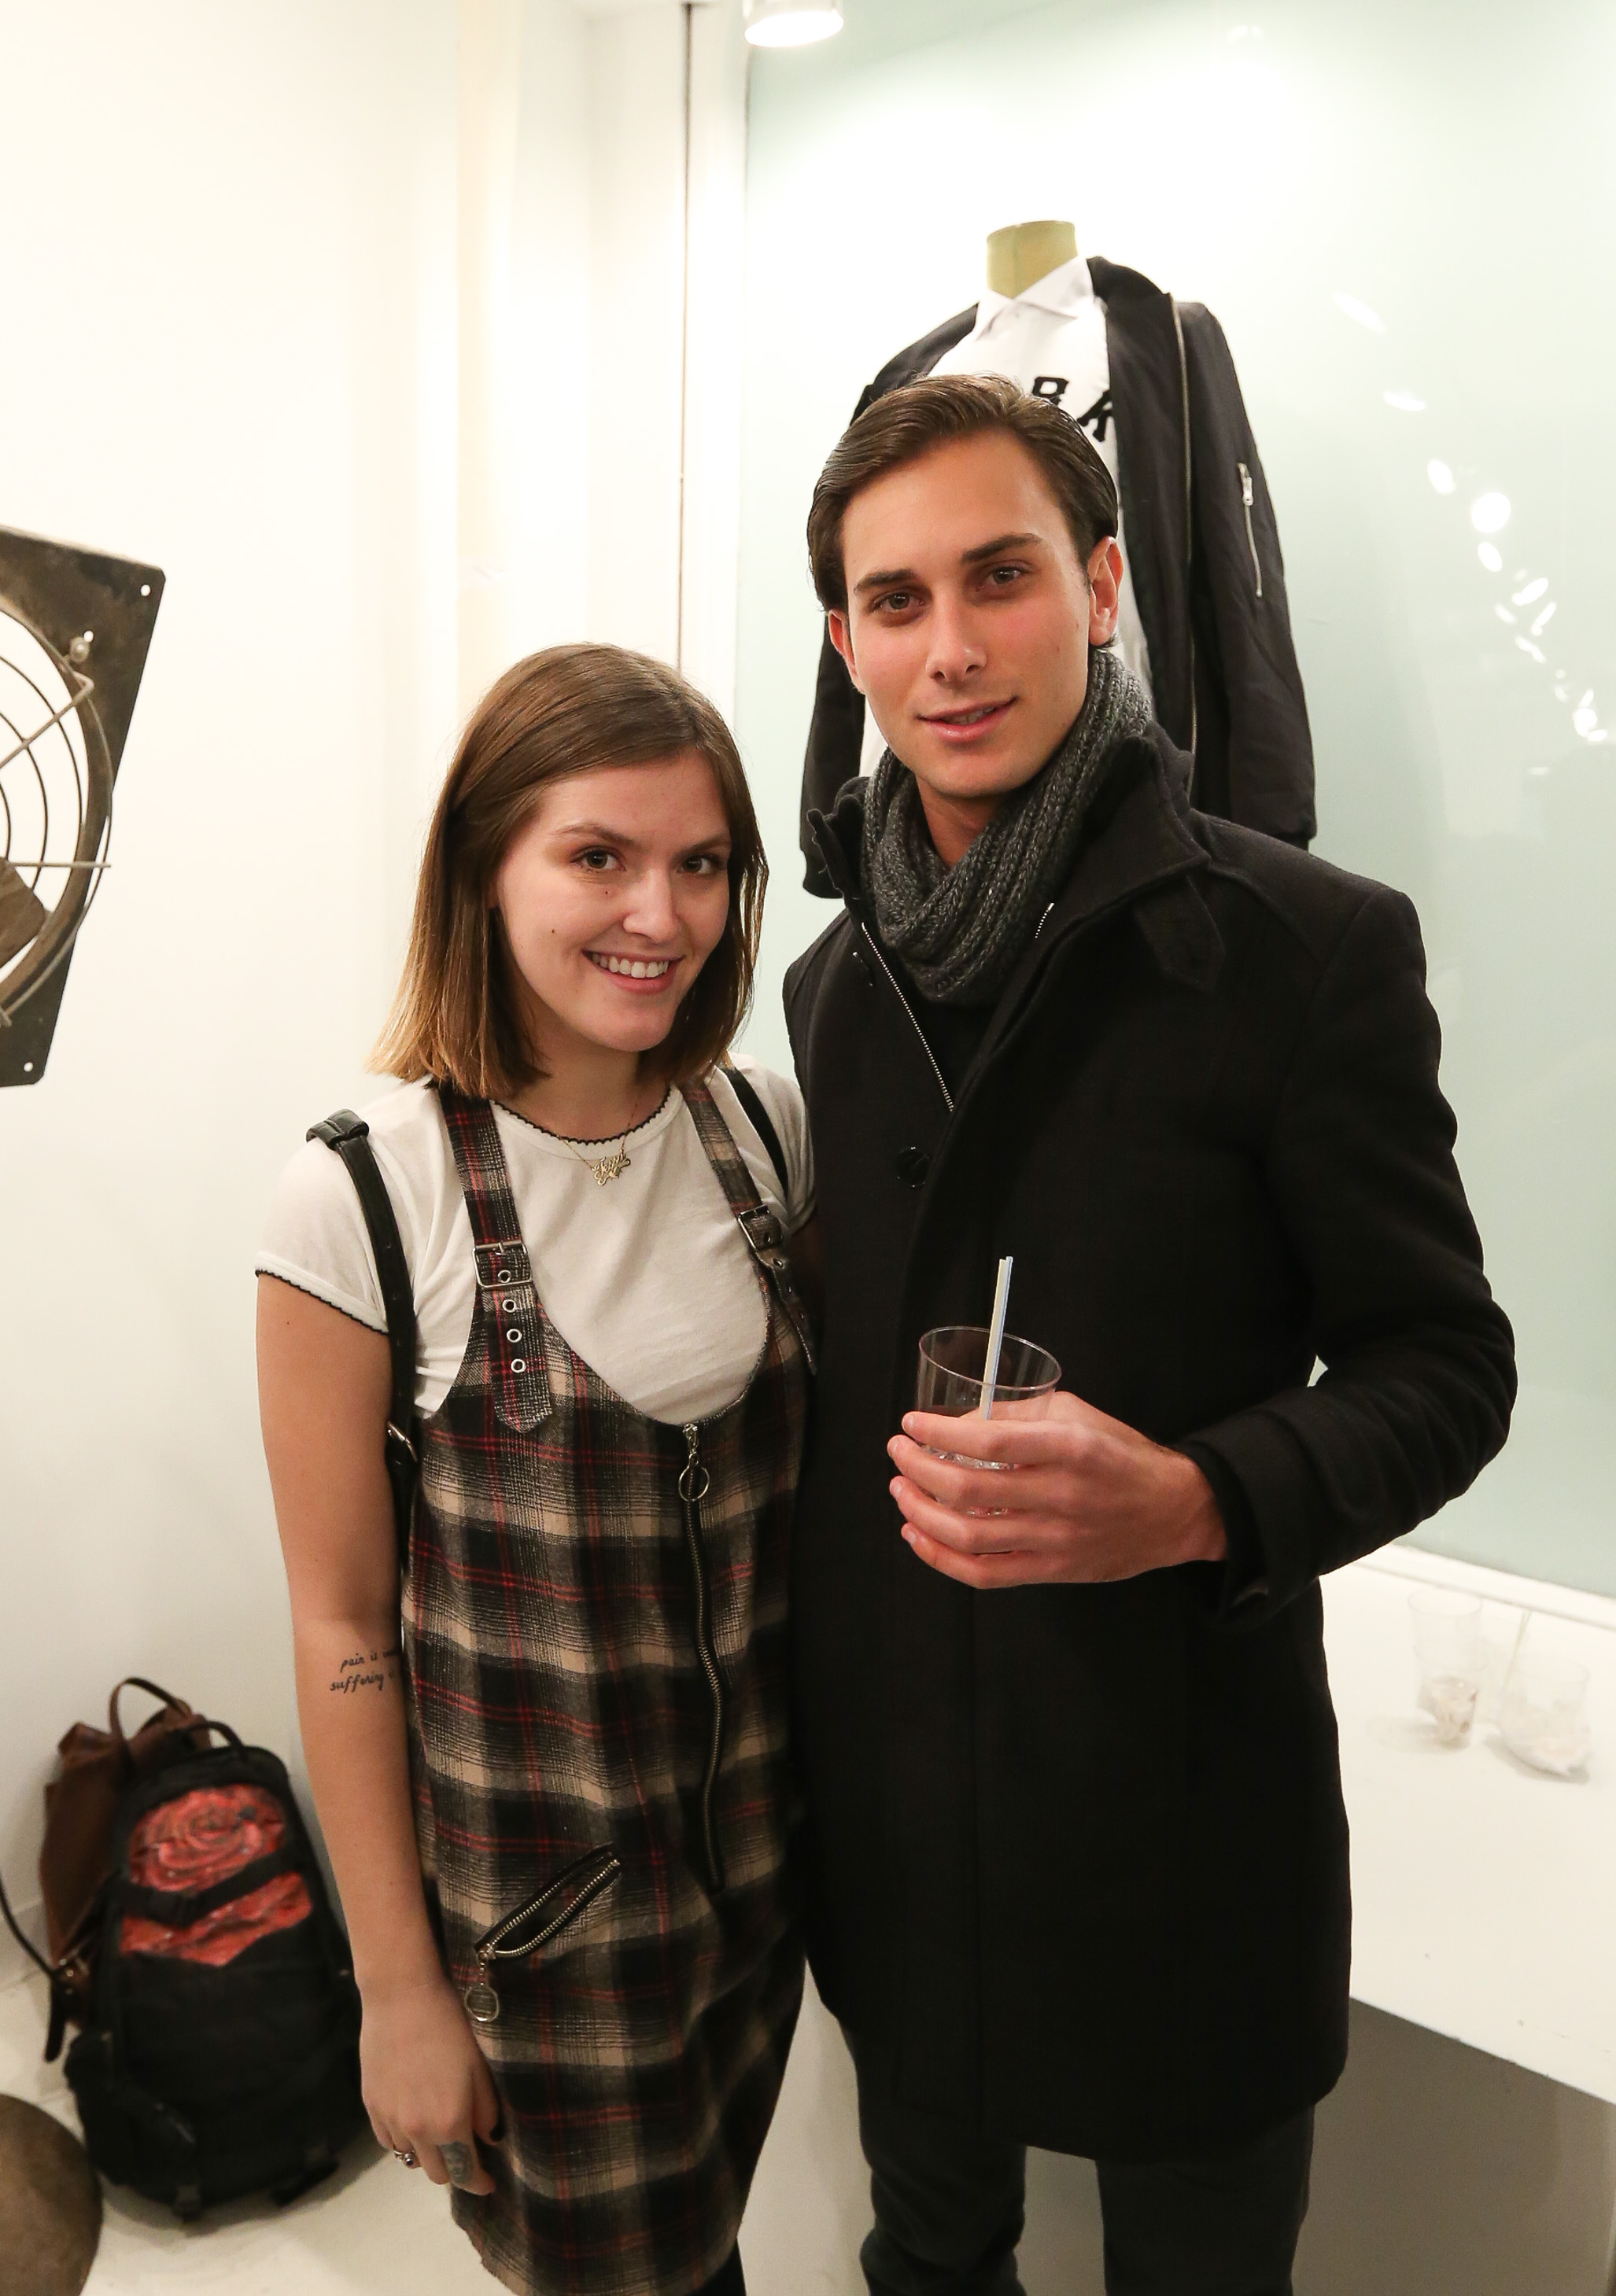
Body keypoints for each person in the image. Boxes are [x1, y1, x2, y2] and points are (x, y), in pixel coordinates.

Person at [784, 374, 1516, 2295]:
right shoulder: (829, 990)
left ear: (1104, 584)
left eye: (1000, 577)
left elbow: (1447, 1367)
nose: (949, 649)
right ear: (845, 641)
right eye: (894, 600)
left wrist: (1196, 1497)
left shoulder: (1301, 950)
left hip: (1178, 1823)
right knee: (927, 2258)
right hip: (903, 1826)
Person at [256, 645, 818, 2296]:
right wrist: (396, 1990)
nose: (662, 912)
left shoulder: (769, 1134)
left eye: (701, 863)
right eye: (599, 857)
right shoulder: (365, 1196)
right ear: (483, 873)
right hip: (548, 1938)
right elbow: (342, 1622)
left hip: (777, 1882)